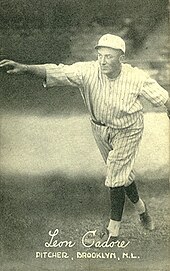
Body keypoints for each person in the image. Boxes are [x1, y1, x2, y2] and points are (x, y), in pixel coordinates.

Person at [0, 34, 170, 242]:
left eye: (108, 56)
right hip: (99, 128)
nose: (103, 60)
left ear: (121, 58)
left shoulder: (137, 77)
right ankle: (142, 210)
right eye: (100, 55)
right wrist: (26, 68)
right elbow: (57, 70)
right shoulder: (87, 71)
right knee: (123, 175)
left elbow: (164, 98)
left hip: (128, 129)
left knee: (116, 171)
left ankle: (112, 231)